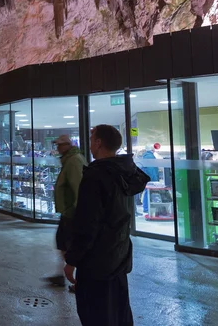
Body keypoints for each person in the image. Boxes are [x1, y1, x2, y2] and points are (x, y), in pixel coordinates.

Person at [64, 125, 149, 326]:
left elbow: (88, 223)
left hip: (97, 262)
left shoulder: (96, 176)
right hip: (118, 255)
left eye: (92, 137)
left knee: (95, 313)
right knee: (118, 312)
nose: (90, 141)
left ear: (99, 143)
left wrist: (72, 260)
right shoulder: (123, 173)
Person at [47, 135, 87, 289]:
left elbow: (79, 188)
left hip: (72, 213)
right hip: (67, 212)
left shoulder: (74, 161)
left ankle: (80, 281)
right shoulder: (69, 160)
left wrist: (77, 211)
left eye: (59, 145)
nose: (57, 148)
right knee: (62, 243)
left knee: (72, 246)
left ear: (67, 146)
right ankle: (62, 275)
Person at [141, 145, 160, 215]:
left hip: (148, 177)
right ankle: (146, 208)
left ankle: (146, 207)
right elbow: (151, 169)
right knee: (148, 192)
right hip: (151, 178)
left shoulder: (146, 155)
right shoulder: (150, 156)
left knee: (147, 192)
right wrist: (155, 180)